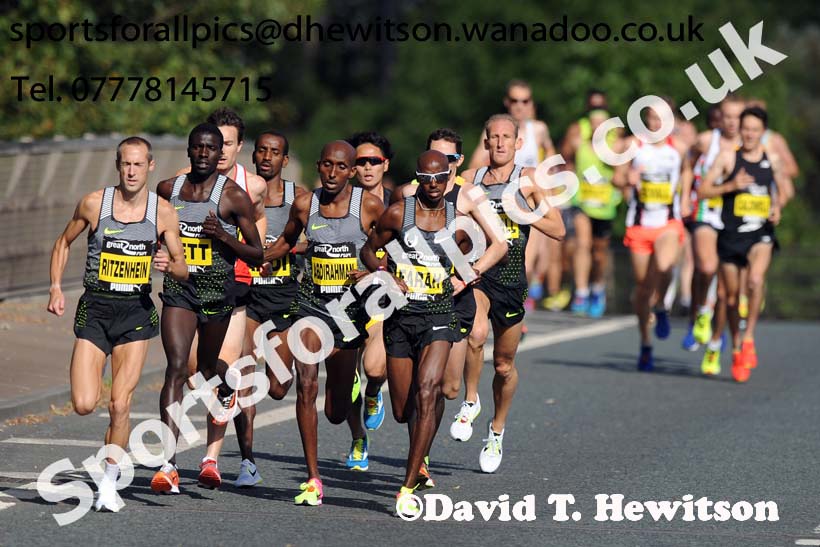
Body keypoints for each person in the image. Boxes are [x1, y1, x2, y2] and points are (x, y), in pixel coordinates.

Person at [47, 137, 188, 511]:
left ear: (150, 167)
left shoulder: (162, 213)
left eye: (138, 164)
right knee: (82, 403)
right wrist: (56, 287)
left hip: (135, 314)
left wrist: (168, 266)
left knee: (120, 404)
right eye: (126, 163)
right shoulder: (95, 204)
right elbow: (63, 243)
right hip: (95, 310)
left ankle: (109, 482)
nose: (131, 171)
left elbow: (183, 266)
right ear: (117, 165)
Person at [265, 141, 384, 506]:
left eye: (341, 167)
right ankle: (313, 477)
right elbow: (285, 242)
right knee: (305, 383)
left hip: (349, 314)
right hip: (310, 306)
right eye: (326, 166)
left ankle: (354, 415)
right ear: (319, 166)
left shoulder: (369, 206)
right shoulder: (304, 205)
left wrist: (375, 270)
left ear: (351, 171)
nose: (332, 173)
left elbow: (392, 246)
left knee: (334, 412)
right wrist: (253, 257)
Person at [151, 123, 263, 494]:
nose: (203, 153)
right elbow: (156, 231)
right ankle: (168, 463)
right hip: (180, 291)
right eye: (197, 147)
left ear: (221, 155)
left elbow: (257, 254)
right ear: (188, 150)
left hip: (218, 295)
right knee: (178, 367)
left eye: (210, 148)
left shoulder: (233, 197)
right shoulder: (167, 190)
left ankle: (226, 383)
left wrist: (223, 237)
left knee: (213, 368)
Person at [392, 128, 507, 486]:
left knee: (446, 387)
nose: (438, 173)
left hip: (453, 299)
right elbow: (383, 241)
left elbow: (500, 241)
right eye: (432, 164)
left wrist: (470, 274)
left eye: (449, 162)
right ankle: (420, 459)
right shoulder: (408, 196)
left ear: (456, 165)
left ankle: (421, 453)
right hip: (409, 303)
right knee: (414, 393)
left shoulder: (470, 196)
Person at [453, 114, 565, 473]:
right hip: (480, 274)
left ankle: (497, 429)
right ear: (484, 143)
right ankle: (470, 400)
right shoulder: (470, 181)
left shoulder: (529, 179)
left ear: (518, 144)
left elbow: (559, 229)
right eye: (493, 137)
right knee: (476, 333)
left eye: (506, 137)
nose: (499, 143)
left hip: (513, 281)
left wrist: (525, 213)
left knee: (503, 365)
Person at [363, 150, 472, 512]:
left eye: (440, 178)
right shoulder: (398, 213)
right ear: (418, 180)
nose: (435, 185)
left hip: (440, 315)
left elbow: (473, 253)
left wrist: (461, 273)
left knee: (429, 389)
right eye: (427, 179)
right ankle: (419, 449)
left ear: (448, 178)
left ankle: (408, 485)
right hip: (400, 317)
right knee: (402, 409)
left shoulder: (457, 220)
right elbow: (369, 250)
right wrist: (387, 275)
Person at [209, 130, 307, 487]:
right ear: (254, 157)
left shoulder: (299, 198)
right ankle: (247, 461)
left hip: (282, 296)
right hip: (247, 297)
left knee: (279, 387)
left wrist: (278, 248)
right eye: (262, 151)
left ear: (285, 158)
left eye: (275, 152)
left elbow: (313, 237)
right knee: (243, 375)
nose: (267, 157)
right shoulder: (239, 194)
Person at [697, 106, 790, 382]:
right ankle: (735, 345)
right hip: (731, 235)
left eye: (755, 130)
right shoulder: (727, 158)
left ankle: (748, 337)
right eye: (746, 129)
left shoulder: (772, 158)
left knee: (756, 279)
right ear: (740, 129)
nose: (749, 134)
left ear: (763, 132)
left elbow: (781, 191)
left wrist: (777, 208)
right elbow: (702, 190)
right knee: (730, 298)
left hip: (760, 233)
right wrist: (730, 186)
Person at [614, 99, 692, 371]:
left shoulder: (678, 148)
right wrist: (628, 179)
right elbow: (617, 177)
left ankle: (661, 304)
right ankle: (646, 343)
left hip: (668, 222)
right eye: (652, 117)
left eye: (663, 118)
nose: (657, 123)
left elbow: (687, 171)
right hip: (639, 224)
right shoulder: (633, 145)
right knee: (642, 288)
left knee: (664, 265)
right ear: (646, 119)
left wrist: (684, 199)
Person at [467, 80, 557, 313]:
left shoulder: (538, 129)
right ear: (507, 102)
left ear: (531, 104)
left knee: (525, 260)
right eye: (515, 101)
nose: (520, 106)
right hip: (498, 204)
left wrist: (546, 180)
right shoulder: (495, 132)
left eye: (525, 101)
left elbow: (551, 155)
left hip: (529, 204)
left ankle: (519, 304)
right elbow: (476, 164)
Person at [342, 131, 395, 471]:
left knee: (374, 368)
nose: (367, 167)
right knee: (345, 380)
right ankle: (358, 437)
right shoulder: (338, 202)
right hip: (340, 300)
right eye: (360, 162)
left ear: (385, 164)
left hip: (381, 296)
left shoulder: (396, 204)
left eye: (373, 161)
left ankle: (375, 392)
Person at [681, 96, 745, 361]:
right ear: (720, 117)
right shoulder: (707, 141)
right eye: (727, 116)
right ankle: (699, 312)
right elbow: (687, 164)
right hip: (706, 211)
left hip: (736, 220)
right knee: (705, 267)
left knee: (725, 292)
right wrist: (685, 197)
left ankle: (715, 342)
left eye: (737, 117)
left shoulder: (752, 146)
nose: (732, 122)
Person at [564, 106, 622, 317]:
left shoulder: (615, 147)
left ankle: (597, 288)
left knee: (599, 254)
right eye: (593, 123)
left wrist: (620, 182)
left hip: (605, 208)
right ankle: (580, 291)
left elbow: (622, 175)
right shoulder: (579, 144)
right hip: (582, 203)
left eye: (602, 123)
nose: (597, 127)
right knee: (582, 243)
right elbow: (566, 160)